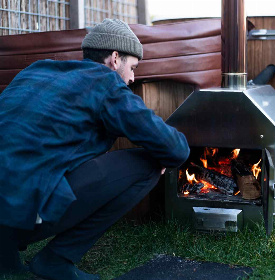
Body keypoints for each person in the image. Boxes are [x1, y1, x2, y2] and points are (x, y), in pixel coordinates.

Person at [0, 19, 189, 279]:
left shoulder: (37, 69)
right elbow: (175, 148)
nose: (133, 77)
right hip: (25, 209)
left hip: (6, 202)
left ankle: (4, 248)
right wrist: (163, 153)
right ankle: (56, 259)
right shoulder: (105, 83)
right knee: (148, 166)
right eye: (132, 67)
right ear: (114, 58)